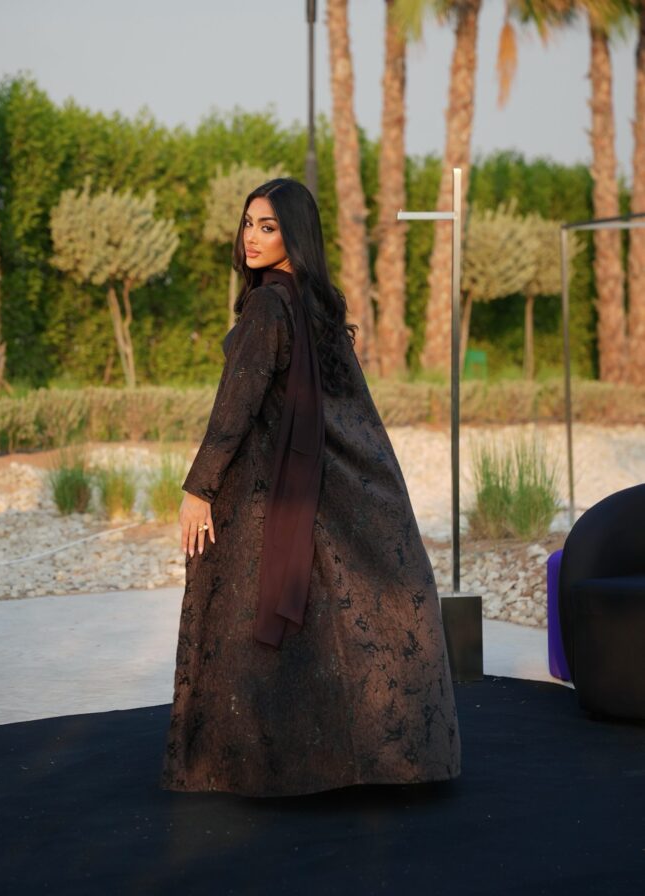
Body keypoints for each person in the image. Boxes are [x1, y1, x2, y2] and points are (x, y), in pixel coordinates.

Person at [160, 177, 460, 798]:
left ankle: (243, 762)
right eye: (248, 224)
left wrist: (199, 489)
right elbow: (353, 411)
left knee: (249, 612)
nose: (251, 237)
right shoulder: (317, 302)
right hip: (325, 483)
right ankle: (367, 760)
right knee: (329, 621)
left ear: (294, 236)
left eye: (267, 227)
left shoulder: (271, 306)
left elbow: (235, 406)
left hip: (275, 488)